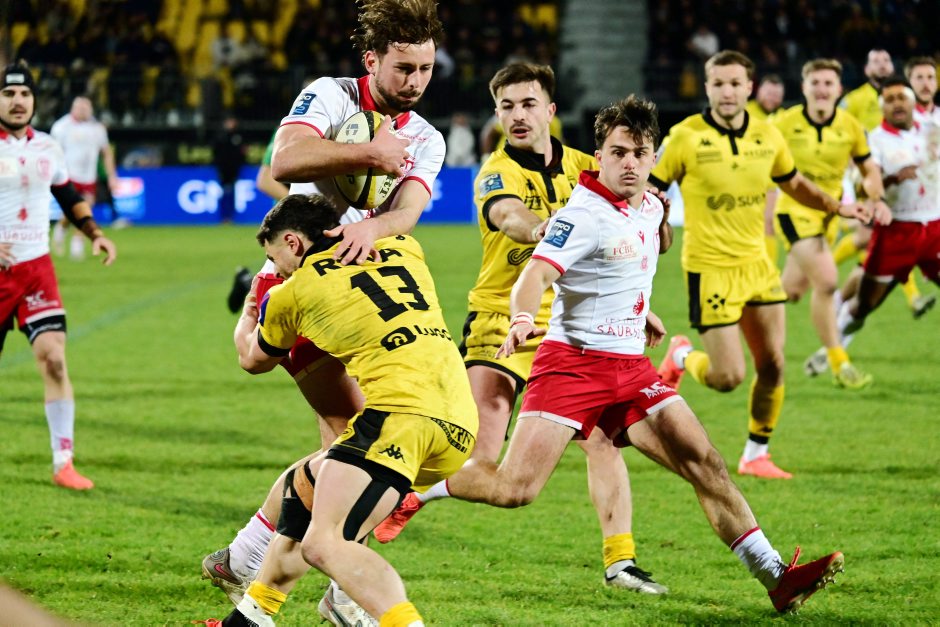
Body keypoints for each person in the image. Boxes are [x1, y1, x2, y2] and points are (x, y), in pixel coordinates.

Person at [438, 94, 844, 615]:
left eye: (639, 153)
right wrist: (520, 318)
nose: (629, 162)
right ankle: (417, 490)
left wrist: (640, 308)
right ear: (600, 156)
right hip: (572, 366)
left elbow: (643, 250)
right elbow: (533, 275)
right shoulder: (580, 215)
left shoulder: (650, 206)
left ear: (653, 158)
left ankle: (776, 577)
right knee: (516, 489)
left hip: (631, 369)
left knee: (705, 462)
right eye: (618, 152)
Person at [372, 62, 667, 594]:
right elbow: (509, 218)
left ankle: (620, 563)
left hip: (574, 328)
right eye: (506, 107)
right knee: (479, 459)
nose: (518, 116)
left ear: (550, 110)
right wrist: (543, 229)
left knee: (603, 442)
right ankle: (407, 492)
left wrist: (635, 303)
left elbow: (625, 238)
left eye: (528, 104)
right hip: (501, 321)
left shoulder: (587, 163)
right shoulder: (495, 171)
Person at [201, 1, 447, 622]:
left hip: (365, 289)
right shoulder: (332, 96)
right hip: (304, 279)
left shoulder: (427, 136)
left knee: (354, 445)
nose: (415, 81)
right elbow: (283, 162)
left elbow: (407, 211)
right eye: (404, 68)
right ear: (372, 60)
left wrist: (372, 229)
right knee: (354, 437)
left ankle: (249, 560)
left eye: (425, 69)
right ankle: (326, 587)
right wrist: (368, 155)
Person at [208, 193, 477, 627]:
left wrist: (249, 311)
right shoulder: (403, 249)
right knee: (306, 487)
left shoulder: (291, 293)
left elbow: (252, 360)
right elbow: (397, 219)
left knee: (325, 544)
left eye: (274, 257)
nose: (276, 268)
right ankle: (251, 617)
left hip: (400, 419)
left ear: (293, 242)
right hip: (459, 422)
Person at [650, 50, 869, 479]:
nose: (727, 92)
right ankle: (682, 356)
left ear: (749, 87)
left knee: (773, 364)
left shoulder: (768, 135)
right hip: (710, 268)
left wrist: (836, 206)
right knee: (727, 377)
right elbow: (649, 189)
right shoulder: (685, 137)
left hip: (758, 265)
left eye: (735, 83)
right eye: (718, 83)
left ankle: (755, 454)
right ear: (707, 87)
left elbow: (794, 183)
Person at [0, 63, 117, 490]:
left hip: (36, 269)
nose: (17, 102)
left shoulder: (48, 146)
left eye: (24, 94)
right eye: (8, 94)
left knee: (53, 357)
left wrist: (95, 234)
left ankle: (63, 461)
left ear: (34, 100)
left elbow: (67, 195)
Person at [772, 58, 890, 388]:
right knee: (826, 281)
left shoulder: (850, 126)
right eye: (816, 83)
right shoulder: (784, 123)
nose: (822, 89)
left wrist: (877, 197)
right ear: (804, 87)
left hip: (832, 215)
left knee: (792, 291)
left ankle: (749, 308)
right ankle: (840, 364)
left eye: (828, 83)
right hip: (794, 212)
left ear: (839, 89)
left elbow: (869, 169)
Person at [834, 77, 940, 344]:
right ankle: (833, 346)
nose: (897, 104)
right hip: (896, 230)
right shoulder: (875, 140)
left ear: (913, 102)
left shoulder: (932, 130)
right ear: (882, 107)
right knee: (864, 305)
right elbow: (866, 182)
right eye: (890, 100)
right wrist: (891, 180)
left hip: (934, 226)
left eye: (901, 98)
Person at [49, 96, 118, 260]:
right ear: (73, 109)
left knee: (85, 210)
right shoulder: (61, 126)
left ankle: (77, 243)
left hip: (89, 178)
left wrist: (112, 176)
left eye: (86, 108)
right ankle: (61, 228)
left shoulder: (97, 128)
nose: (84, 111)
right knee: (71, 211)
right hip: (68, 176)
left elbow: (106, 153)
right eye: (80, 108)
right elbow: (52, 152)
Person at [226, 131, 287, 314]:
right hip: (291, 225)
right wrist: (304, 207)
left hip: (318, 223)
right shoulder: (292, 127)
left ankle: (247, 283)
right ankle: (250, 288)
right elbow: (264, 180)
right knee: (279, 301)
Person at [745, 74, 785, 263]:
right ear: (758, 91)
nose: (772, 99)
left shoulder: (784, 117)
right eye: (769, 93)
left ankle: (769, 271)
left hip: (769, 180)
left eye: (777, 95)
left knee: (768, 223)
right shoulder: (744, 111)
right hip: (743, 178)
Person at [212, 114, 247, 223]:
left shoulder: (238, 136)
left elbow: (243, 152)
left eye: (233, 121)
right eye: (229, 121)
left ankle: (230, 216)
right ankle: (223, 216)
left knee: (231, 193)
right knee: (224, 193)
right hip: (223, 170)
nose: (231, 124)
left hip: (234, 169)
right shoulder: (220, 136)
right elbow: (216, 152)